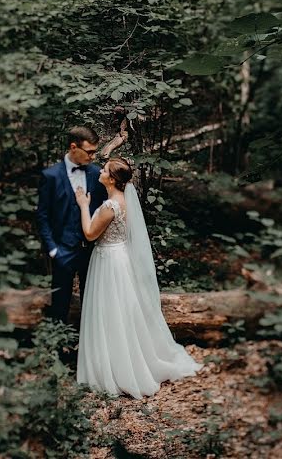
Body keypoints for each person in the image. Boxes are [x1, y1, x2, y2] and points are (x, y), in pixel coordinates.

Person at [74, 157, 202, 399]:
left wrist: (83, 205)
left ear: (111, 179)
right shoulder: (125, 202)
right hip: (120, 258)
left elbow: (90, 234)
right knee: (122, 312)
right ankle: (125, 362)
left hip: (108, 262)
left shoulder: (110, 206)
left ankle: (115, 369)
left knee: (109, 312)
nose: (100, 171)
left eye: (104, 170)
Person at [36, 126, 107, 323]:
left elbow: (104, 210)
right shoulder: (50, 176)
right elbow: (42, 216)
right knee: (59, 305)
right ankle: (58, 349)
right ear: (73, 147)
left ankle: (88, 350)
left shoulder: (96, 174)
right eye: (90, 151)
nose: (93, 156)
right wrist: (52, 250)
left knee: (93, 304)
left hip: (91, 251)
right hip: (62, 250)